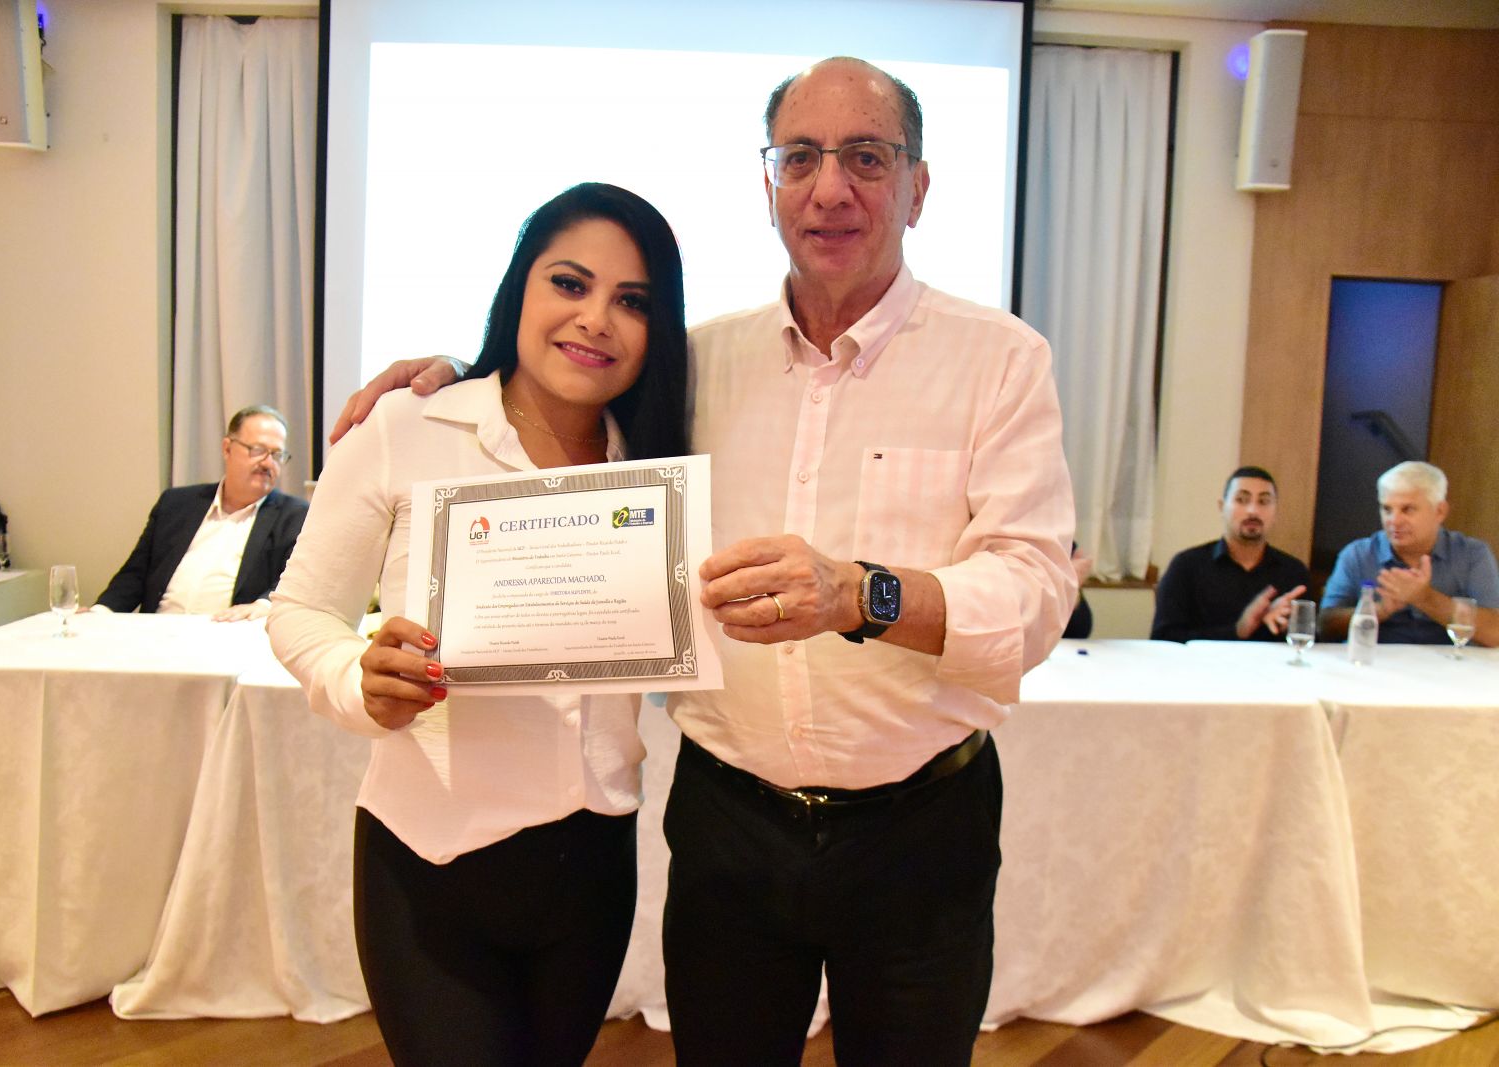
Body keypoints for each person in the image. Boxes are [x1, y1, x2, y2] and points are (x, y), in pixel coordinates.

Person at [333, 58, 1075, 1065]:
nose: (829, 187)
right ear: (768, 184)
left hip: (921, 823)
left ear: (918, 187)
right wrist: (457, 376)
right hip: (731, 827)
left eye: (866, 157)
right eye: (799, 157)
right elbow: (563, 408)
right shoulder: (696, 362)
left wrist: (858, 593)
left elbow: (1035, 590)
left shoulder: (999, 359)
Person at [267, 184, 689, 1067]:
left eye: (633, 301)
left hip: (592, 867)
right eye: (569, 283)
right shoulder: (409, 426)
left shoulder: (656, 464)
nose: (596, 318)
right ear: (519, 288)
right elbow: (302, 610)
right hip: (431, 865)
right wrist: (358, 679)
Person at [93, 405, 306, 621]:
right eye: (258, 450)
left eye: (277, 455)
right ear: (227, 449)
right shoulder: (176, 504)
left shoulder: (295, 516)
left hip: (228, 631)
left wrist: (264, 605)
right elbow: (135, 575)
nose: (268, 463)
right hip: (159, 629)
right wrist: (98, 613)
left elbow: (294, 583)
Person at [1320, 461, 1499, 646]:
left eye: (1408, 509)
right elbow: (1325, 627)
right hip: (1376, 660)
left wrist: (1425, 598)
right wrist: (1379, 611)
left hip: (1448, 662)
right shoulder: (1358, 555)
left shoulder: (1472, 555)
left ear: (1440, 511)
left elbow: (1495, 634)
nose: (1394, 521)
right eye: (1387, 509)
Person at [1150, 466, 1309, 642]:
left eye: (1264, 502)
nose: (1253, 510)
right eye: (1242, 500)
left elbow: (1309, 641)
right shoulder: (1187, 566)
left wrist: (1287, 626)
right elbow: (1162, 639)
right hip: (1203, 661)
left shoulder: (1293, 571)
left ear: (1275, 511)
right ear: (1222, 507)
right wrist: (1237, 631)